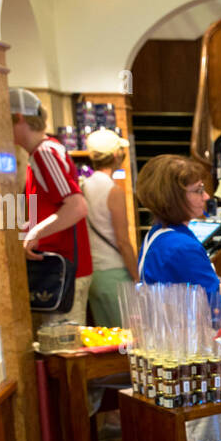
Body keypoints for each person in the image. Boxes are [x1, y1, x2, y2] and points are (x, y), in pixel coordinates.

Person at [135, 153, 221, 314]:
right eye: (198, 190)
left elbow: (187, 291)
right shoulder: (182, 246)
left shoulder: (158, 234)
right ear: (174, 198)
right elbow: (214, 311)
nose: (206, 196)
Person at [11, 88, 93, 326]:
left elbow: (77, 206)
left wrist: (35, 233)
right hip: (55, 268)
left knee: (63, 354)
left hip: (62, 270)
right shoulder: (41, 153)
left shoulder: (43, 153)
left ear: (18, 118)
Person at [83, 129, 139, 325]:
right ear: (116, 155)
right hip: (114, 273)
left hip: (94, 274)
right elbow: (123, 241)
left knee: (107, 341)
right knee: (127, 342)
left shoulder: (83, 186)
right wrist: (136, 277)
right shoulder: (113, 191)